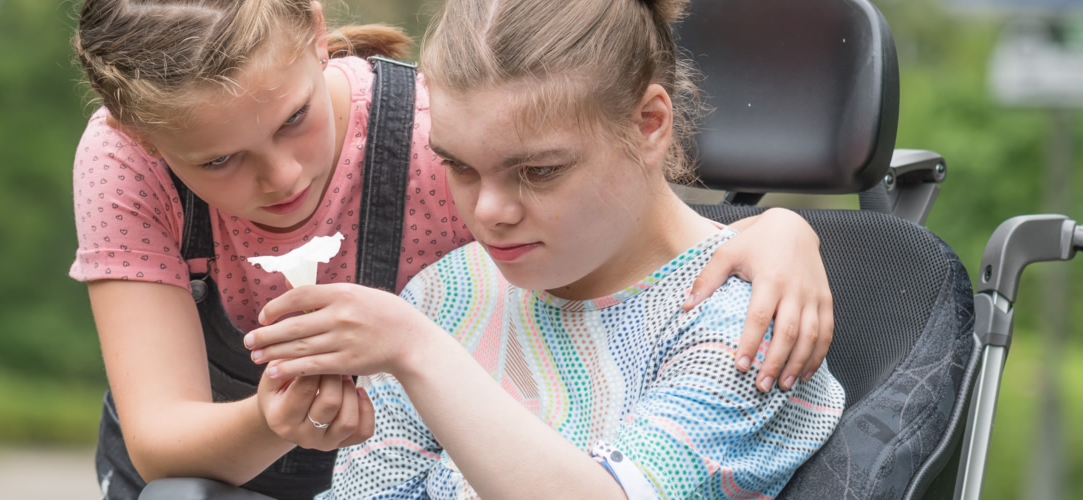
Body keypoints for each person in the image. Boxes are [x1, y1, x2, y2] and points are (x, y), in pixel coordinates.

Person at [70, 1, 836, 498]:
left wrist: (414, 351)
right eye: (461, 168)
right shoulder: (448, 295)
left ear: (648, 124)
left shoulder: (741, 328)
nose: (492, 212)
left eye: (536, 171)